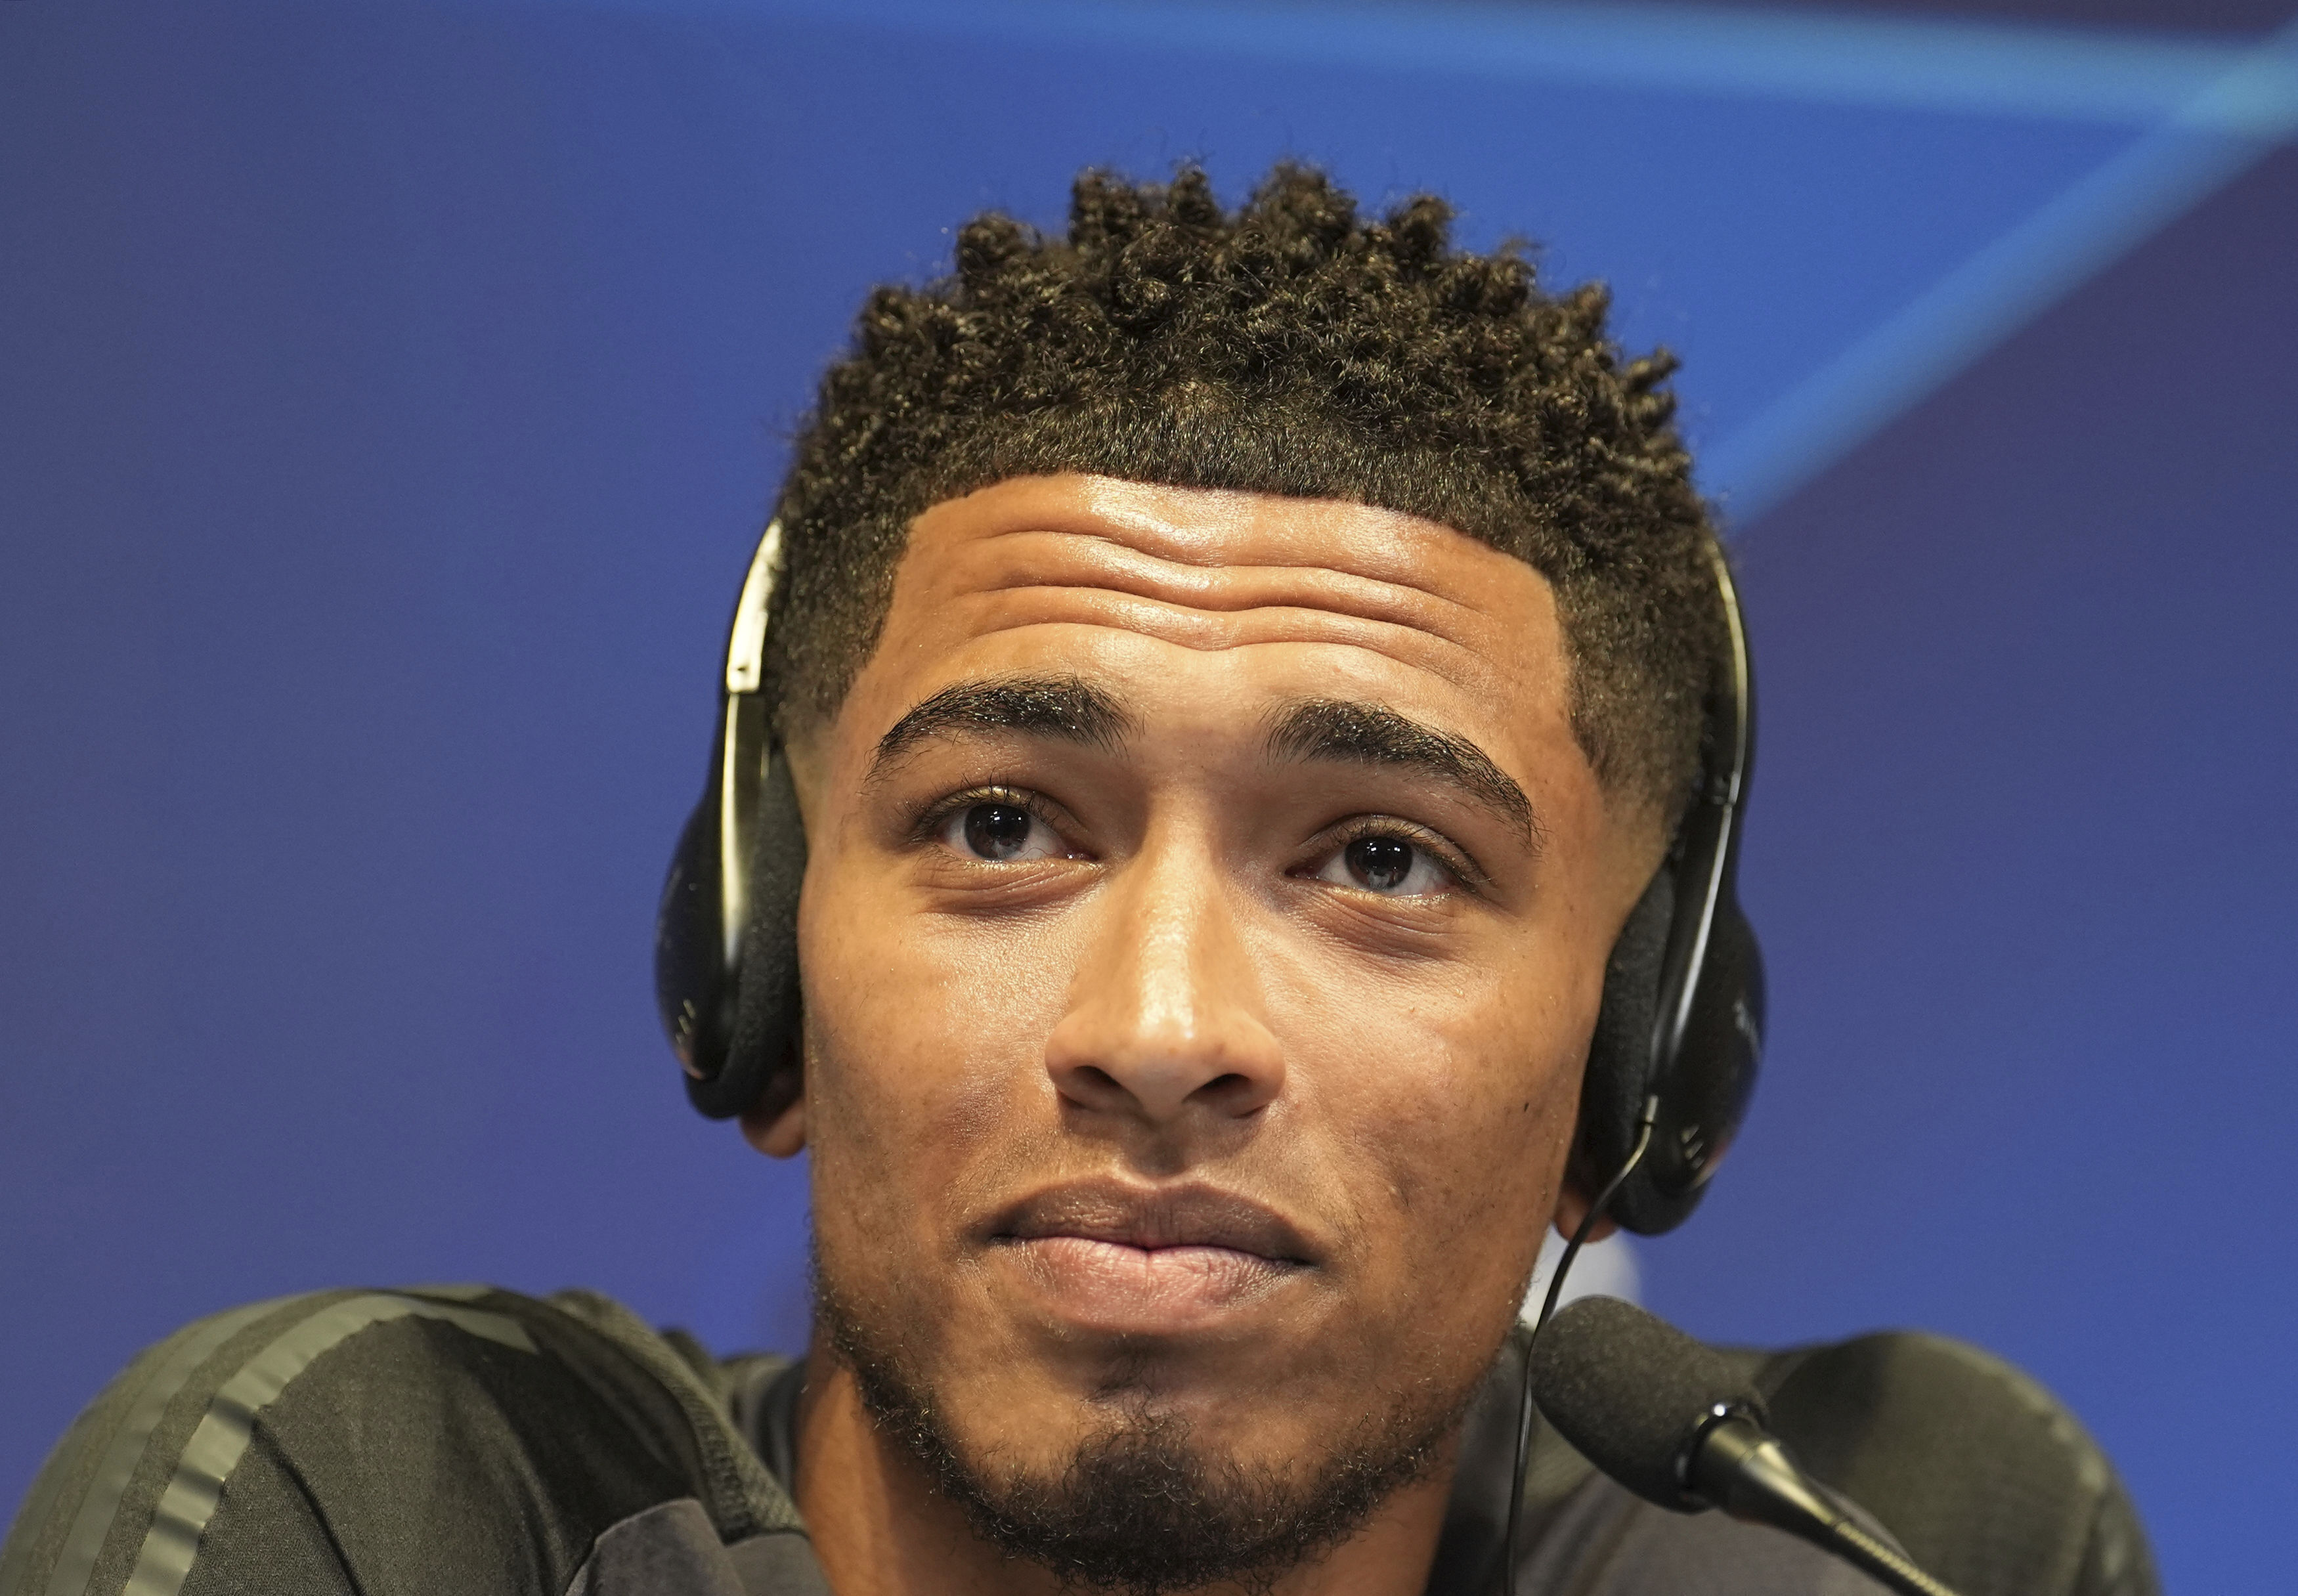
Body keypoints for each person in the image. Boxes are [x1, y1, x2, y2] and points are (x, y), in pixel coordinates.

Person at [0, 165, 2154, 1596]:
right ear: (756, 968)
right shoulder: (404, 1512)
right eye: (1001, 824)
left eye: (1383, 858)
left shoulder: (1885, 1547)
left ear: (1637, 1061)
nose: (1159, 1031)